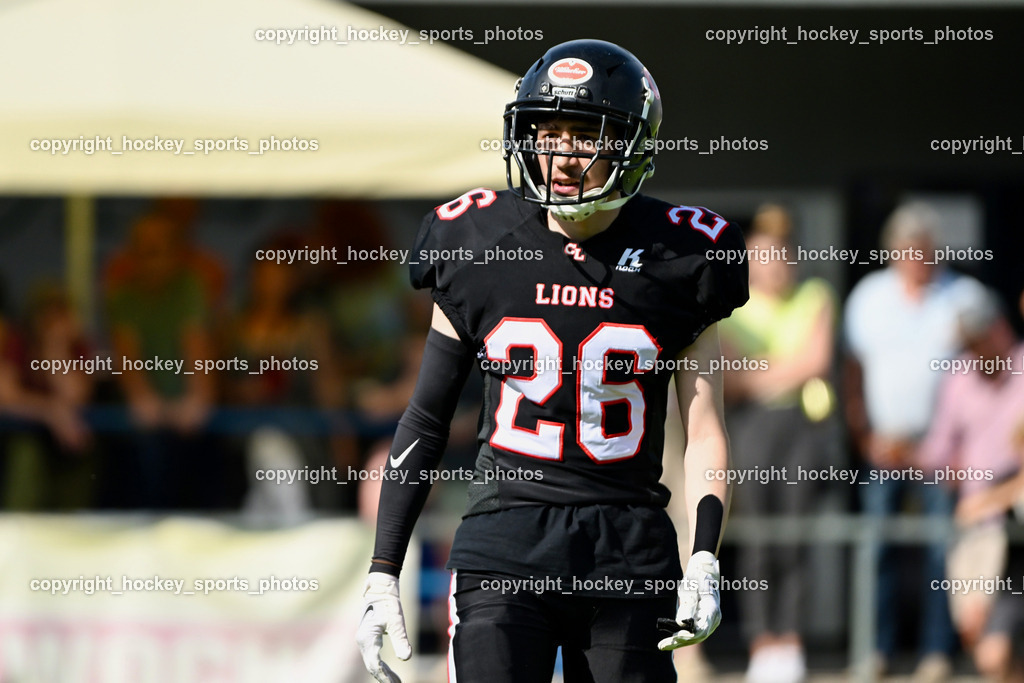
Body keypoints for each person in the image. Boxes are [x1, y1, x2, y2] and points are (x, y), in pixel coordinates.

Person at [355, 40, 749, 683]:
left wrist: (704, 556)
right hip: (504, 541)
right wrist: (382, 570)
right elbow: (426, 418)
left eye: (585, 135)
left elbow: (705, 430)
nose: (561, 155)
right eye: (548, 133)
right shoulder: (476, 241)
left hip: (628, 548)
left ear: (632, 145)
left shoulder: (685, 256)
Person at [843, 201, 988, 680]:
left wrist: (964, 445)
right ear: (893, 252)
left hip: (943, 449)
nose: (918, 260)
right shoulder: (868, 296)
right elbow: (852, 371)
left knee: (942, 552)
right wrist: (863, 435)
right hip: (883, 446)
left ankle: (936, 652)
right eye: (908, 251)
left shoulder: (964, 296)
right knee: (876, 549)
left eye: (925, 250)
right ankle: (876, 649)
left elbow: (986, 370)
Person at [718, 205, 837, 683]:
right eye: (764, 258)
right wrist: (785, 368)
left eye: (781, 256)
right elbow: (731, 378)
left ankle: (790, 641)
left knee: (793, 538)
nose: (775, 267)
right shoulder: (732, 306)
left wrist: (762, 369)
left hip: (801, 428)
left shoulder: (814, 295)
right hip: (750, 427)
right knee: (758, 540)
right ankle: (762, 641)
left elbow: (815, 362)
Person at [916, 294, 1024, 682]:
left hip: (1017, 535)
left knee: (999, 652)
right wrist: (941, 464)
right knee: (984, 646)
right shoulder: (959, 377)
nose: (975, 351)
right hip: (981, 532)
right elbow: (937, 452)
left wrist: (994, 497)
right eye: (969, 344)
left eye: (979, 340)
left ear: (1000, 330)